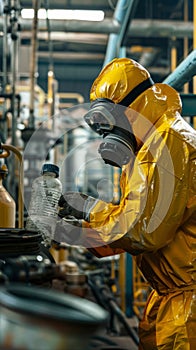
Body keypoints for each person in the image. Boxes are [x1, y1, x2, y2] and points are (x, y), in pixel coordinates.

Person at [57, 58, 196, 350]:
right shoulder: (148, 145)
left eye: (111, 123)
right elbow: (134, 217)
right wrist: (85, 225)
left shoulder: (168, 143)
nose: (108, 137)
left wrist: (88, 212)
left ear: (134, 108)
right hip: (170, 295)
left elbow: (142, 231)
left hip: (188, 305)